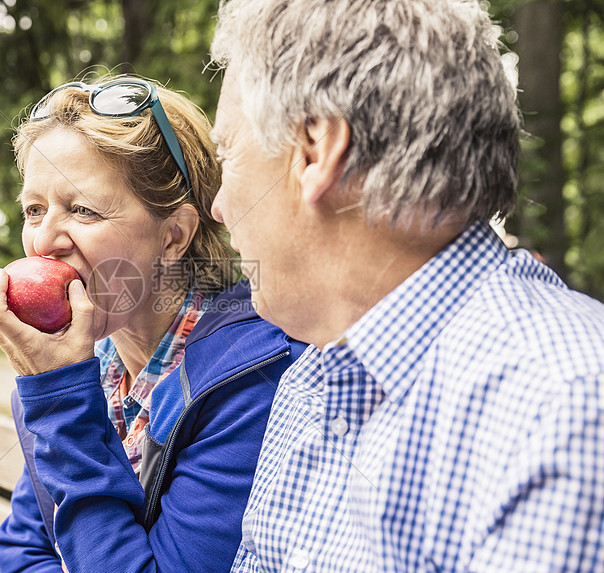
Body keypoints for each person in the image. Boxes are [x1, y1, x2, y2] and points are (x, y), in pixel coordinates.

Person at [207, 0, 604, 571]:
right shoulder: (310, 383)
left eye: (228, 153)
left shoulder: (561, 414)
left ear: (317, 150)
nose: (218, 206)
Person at [0, 76, 306, 573]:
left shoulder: (249, 381)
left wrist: (60, 401)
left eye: (82, 209)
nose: (42, 242)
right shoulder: (88, 366)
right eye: (34, 210)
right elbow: (23, 549)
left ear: (174, 236)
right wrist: (55, 393)